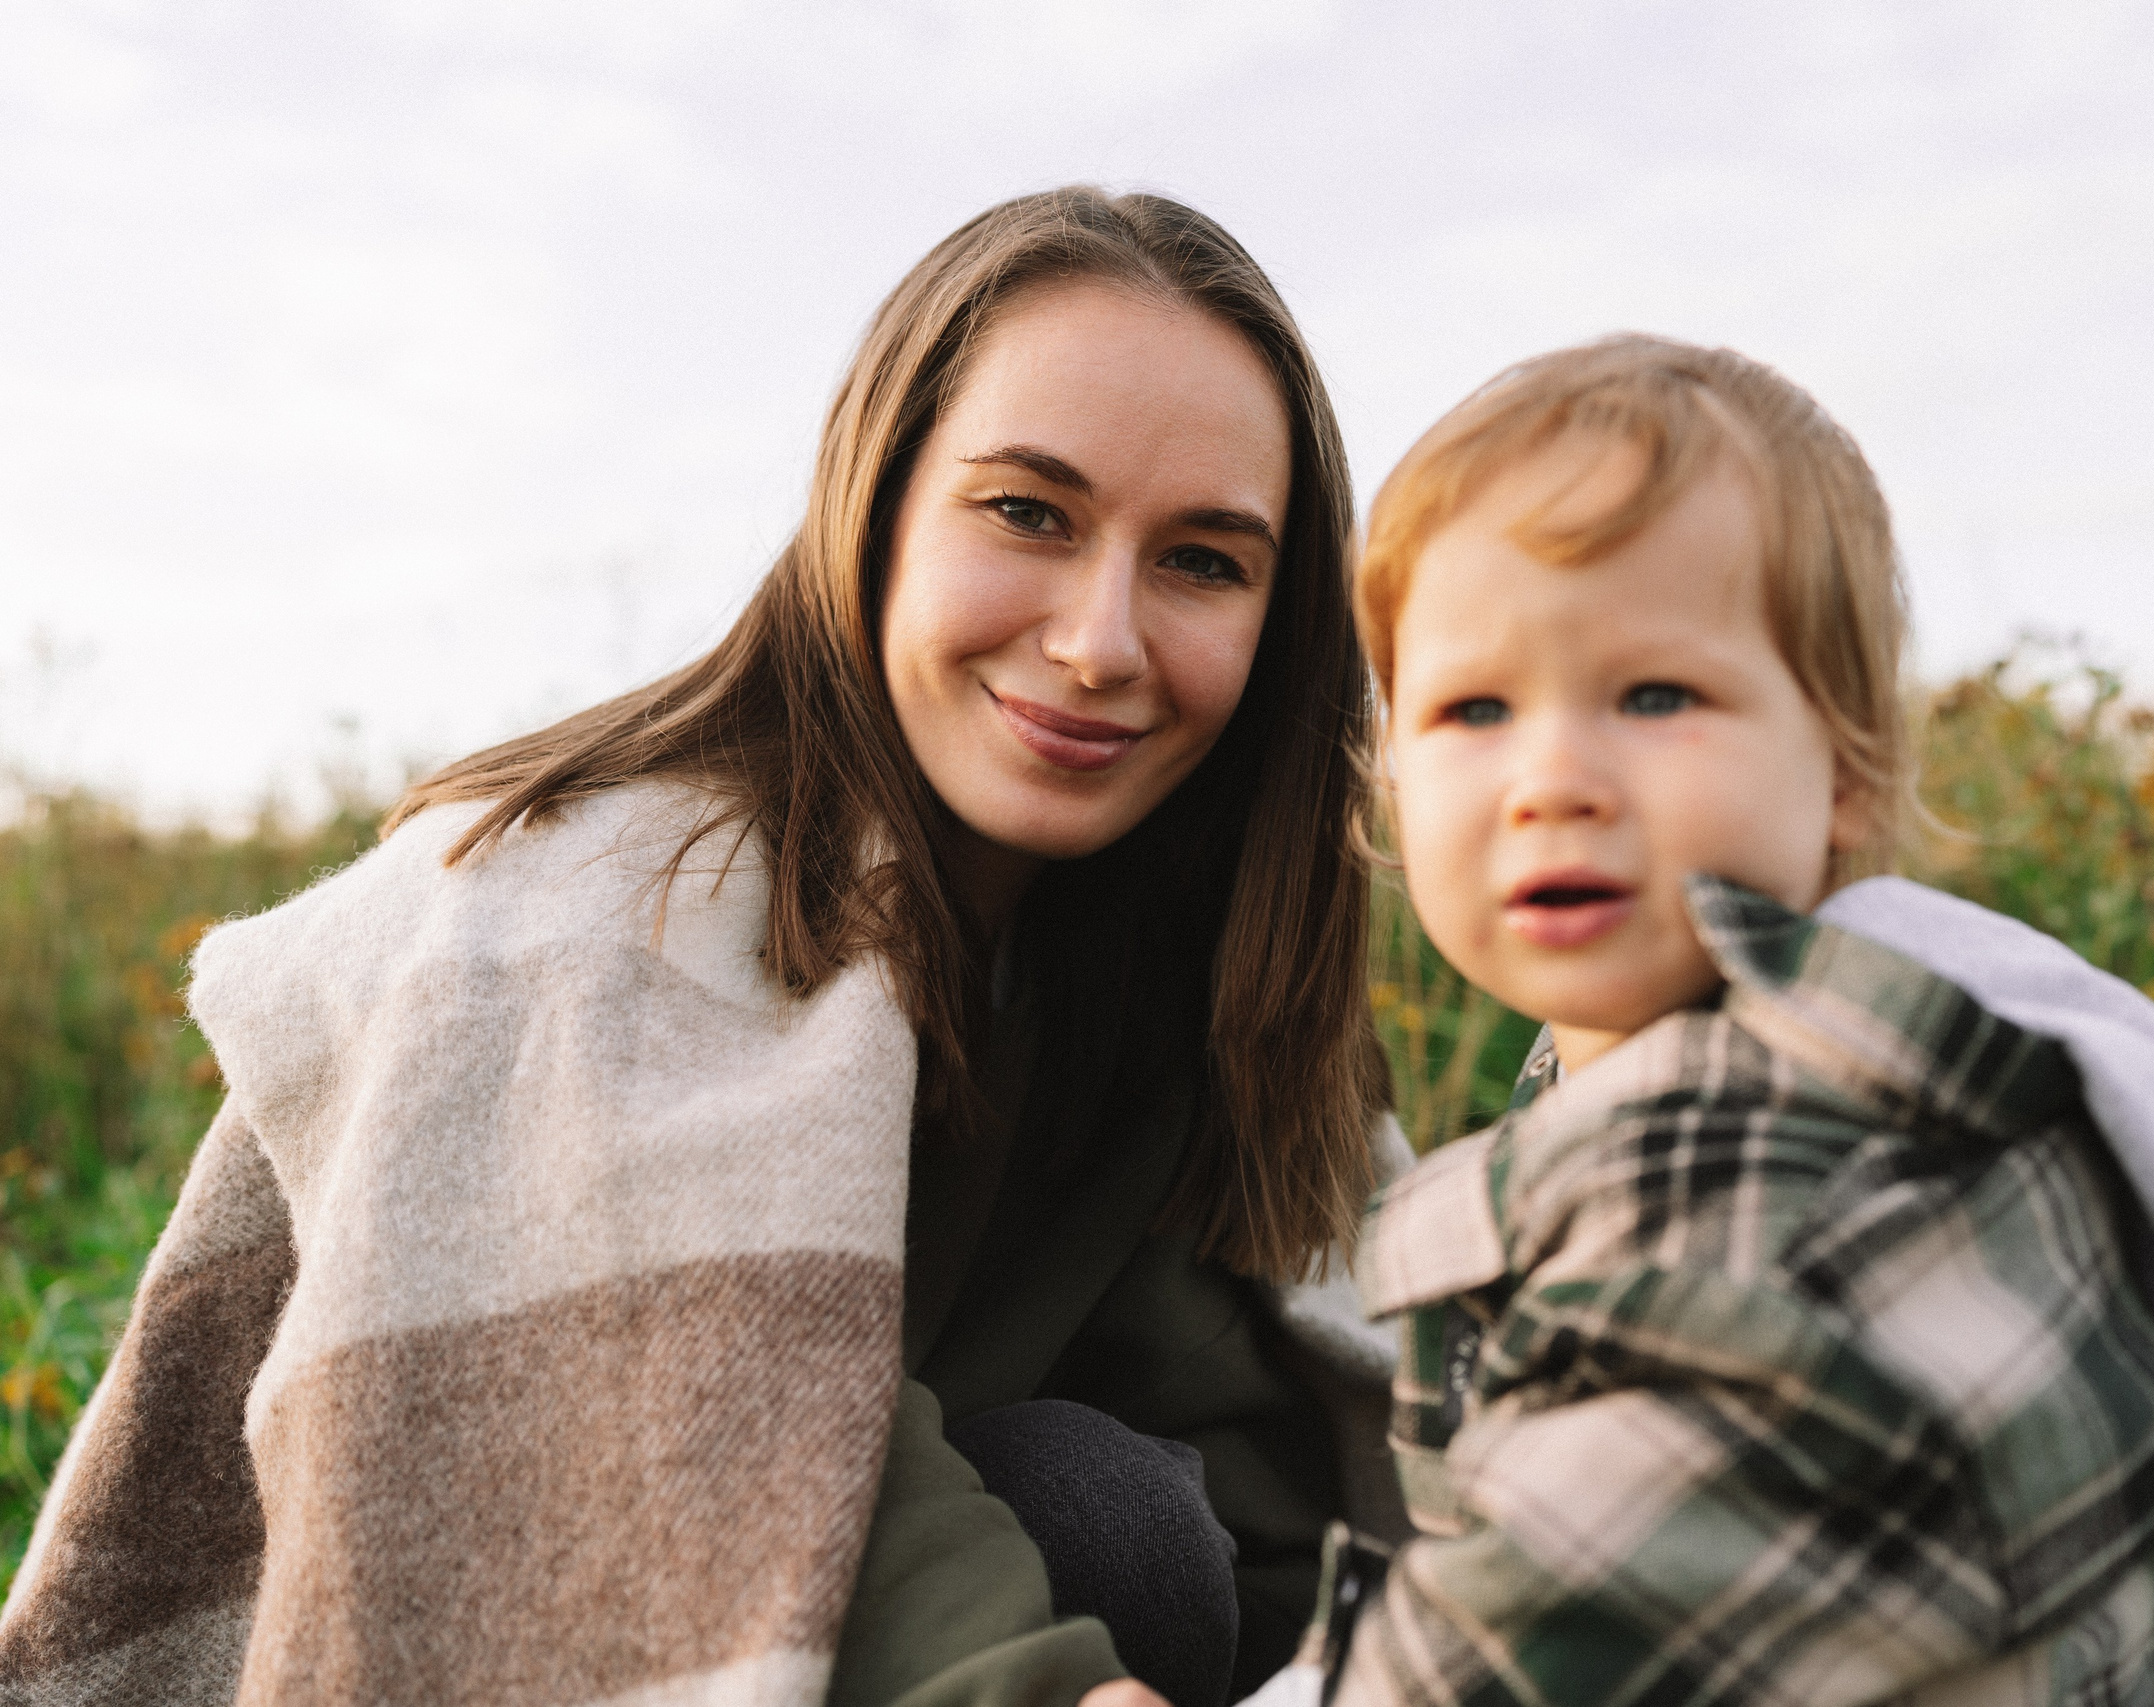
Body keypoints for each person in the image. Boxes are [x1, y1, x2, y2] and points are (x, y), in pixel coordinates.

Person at [0, 188, 1411, 1707]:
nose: (1100, 640)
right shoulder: (587, 909)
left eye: (1204, 560)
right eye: (1027, 513)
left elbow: (1281, 1464)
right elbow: (699, 1404)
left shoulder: (1159, 968)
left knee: (1117, 1511)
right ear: (877, 504)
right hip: (490, 1613)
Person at [1242, 336, 2154, 1706]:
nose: (1550, 780)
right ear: (1389, 771)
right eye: (1473, 708)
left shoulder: (1791, 1175)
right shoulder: (1711, 1053)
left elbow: (1504, 1658)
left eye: (1655, 696)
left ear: (1845, 769)